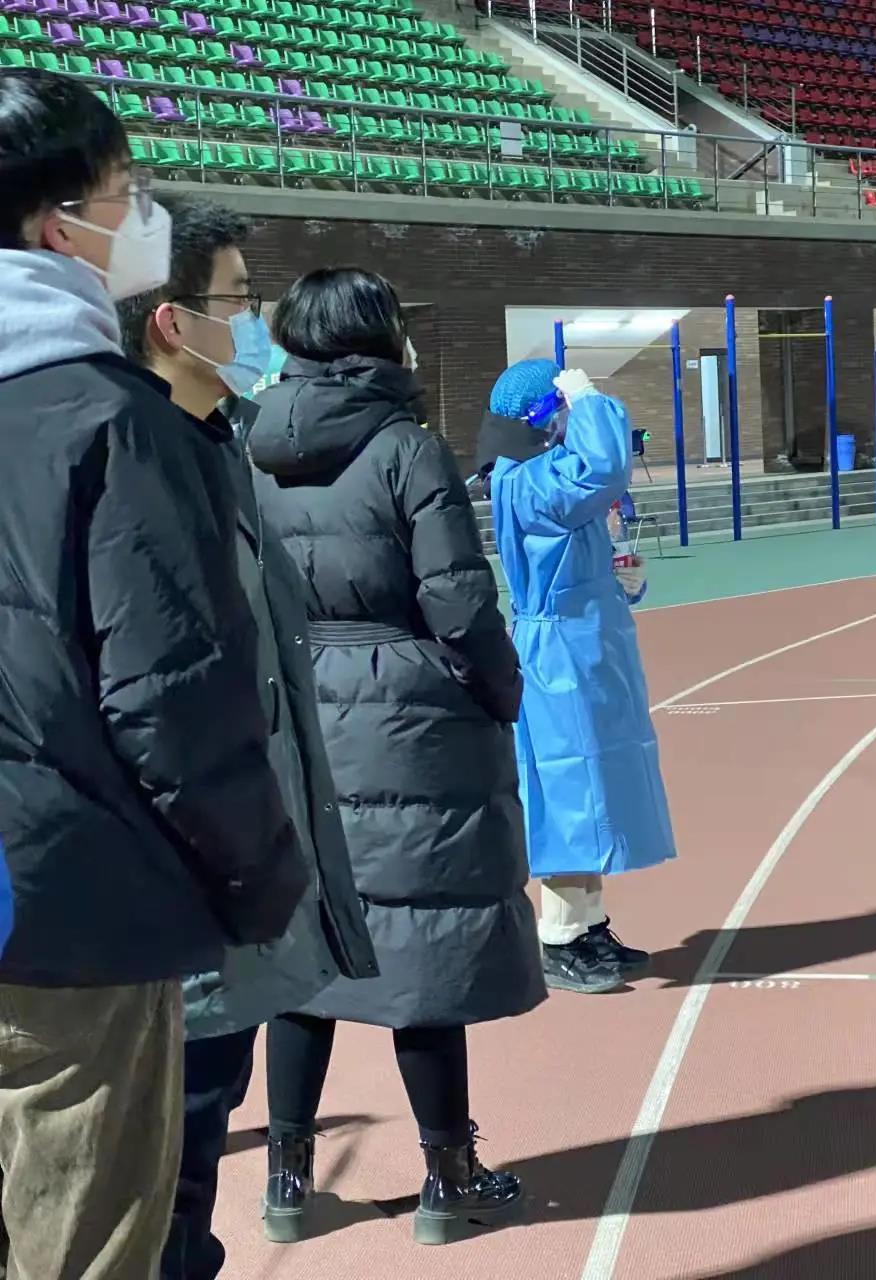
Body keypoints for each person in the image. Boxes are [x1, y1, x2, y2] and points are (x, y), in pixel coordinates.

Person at [0, 72, 308, 1278]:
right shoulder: (111, 421)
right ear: (54, 227)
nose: (143, 219)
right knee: (86, 1236)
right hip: (73, 909)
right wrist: (260, 875)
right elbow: (172, 692)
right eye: (124, 192)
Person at [248, 268, 546, 1246]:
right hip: (407, 710)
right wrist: (499, 690)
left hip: (297, 709)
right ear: (379, 337)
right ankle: (447, 1179)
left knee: (305, 957)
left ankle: (287, 1182)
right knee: (425, 956)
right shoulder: (406, 446)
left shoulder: (250, 448)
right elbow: (458, 597)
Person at [116, 196, 378, 1280]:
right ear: (172, 321)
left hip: (235, 882)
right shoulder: (133, 465)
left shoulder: (219, 445)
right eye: (238, 300)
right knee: (158, 1181)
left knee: (194, 1163)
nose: (256, 322)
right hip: (179, 903)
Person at [476, 359, 677, 996]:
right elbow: (603, 467)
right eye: (562, 410)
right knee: (571, 793)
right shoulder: (527, 479)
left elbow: (580, 546)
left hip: (588, 645)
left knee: (599, 791)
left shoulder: (546, 474)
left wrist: (622, 579)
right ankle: (560, 936)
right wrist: (589, 401)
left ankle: (588, 924)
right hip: (559, 655)